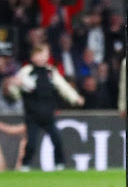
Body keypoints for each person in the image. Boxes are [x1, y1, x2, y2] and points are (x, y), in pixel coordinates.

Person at [5, 43, 84, 171]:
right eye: (39, 55)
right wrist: (13, 86)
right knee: (31, 143)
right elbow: (15, 93)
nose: (42, 57)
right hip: (32, 115)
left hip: (48, 114)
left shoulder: (50, 72)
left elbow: (63, 87)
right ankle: (25, 165)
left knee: (57, 140)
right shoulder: (26, 71)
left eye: (44, 55)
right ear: (33, 57)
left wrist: (75, 98)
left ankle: (60, 164)